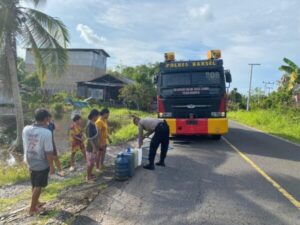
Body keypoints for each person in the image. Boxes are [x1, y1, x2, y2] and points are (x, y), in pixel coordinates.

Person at [23, 108, 54, 215]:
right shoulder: (46, 132)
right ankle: (32, 209)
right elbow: (49, 152)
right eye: (49, 119)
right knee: (38, 186)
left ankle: (37, 202)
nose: (49, 121)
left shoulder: (26, 129)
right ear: (46, 119)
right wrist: (52, 166)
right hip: (41, 163)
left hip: (30, 160)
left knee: (34, 183)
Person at [85, 109, 100, 182]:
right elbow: (89, 138)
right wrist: (94, 148)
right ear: (94, 116)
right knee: (90, 163)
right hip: (91, 148)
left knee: (93, 162)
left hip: (95, 147)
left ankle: (90, 174)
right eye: (97, 116)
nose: (98, 117)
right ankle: (88, 177)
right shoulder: (89, 125)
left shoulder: (93, 123)